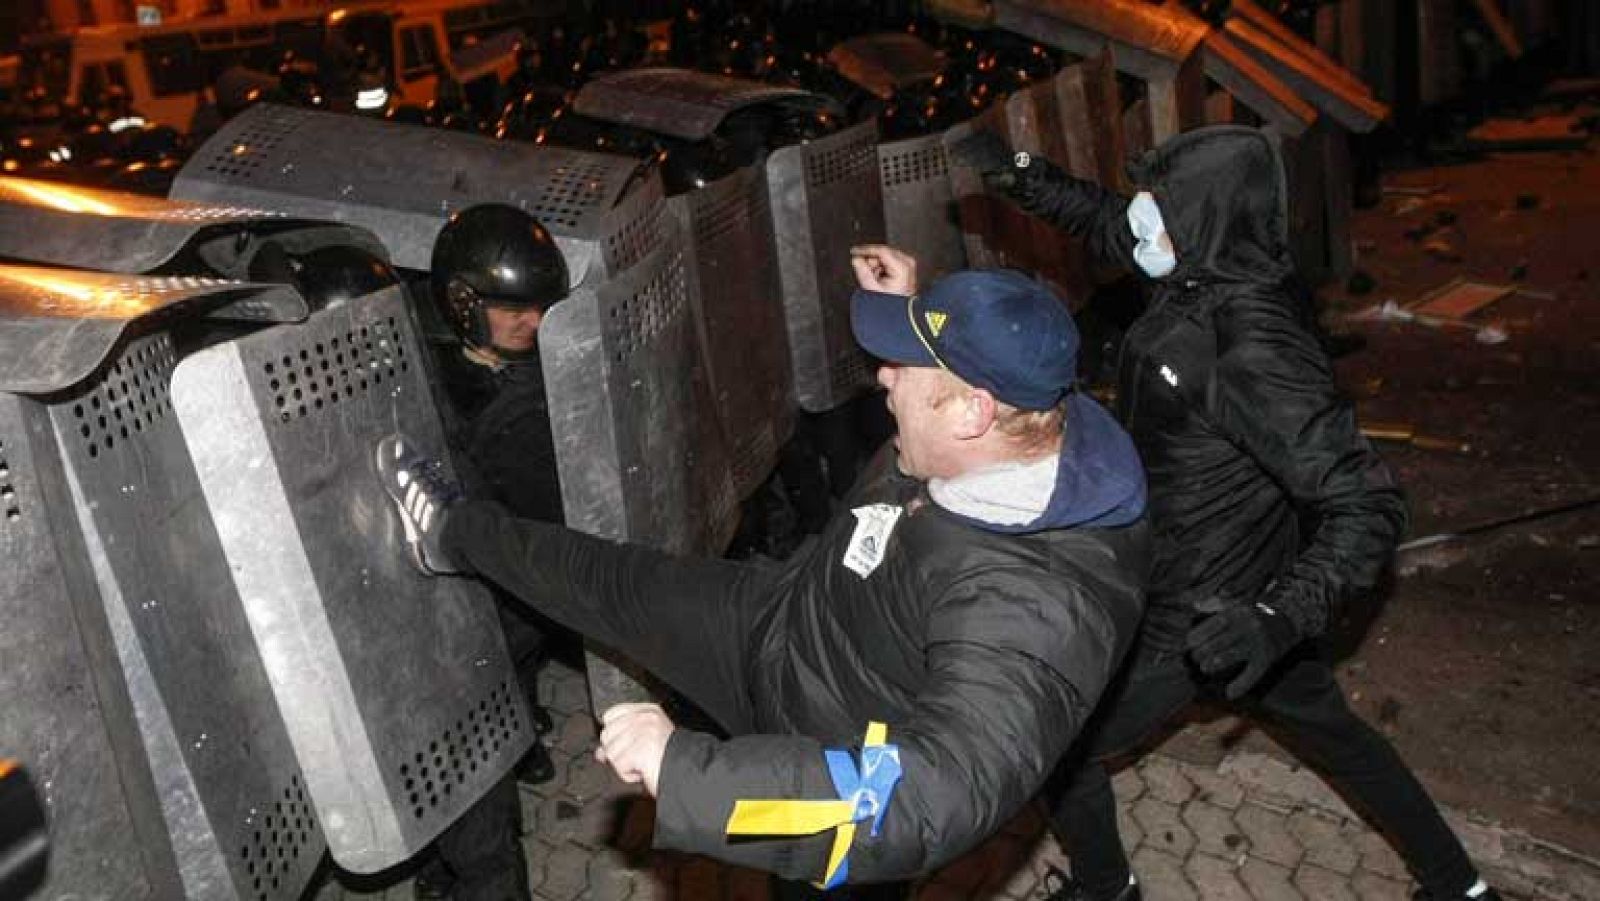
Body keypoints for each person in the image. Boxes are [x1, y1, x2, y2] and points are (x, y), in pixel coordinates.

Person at [373, 248, 1151, 888]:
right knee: (606, 577)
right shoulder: (1007, 415)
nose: (883, 376)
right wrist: (915, 310)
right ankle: (452, 533)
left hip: (827, 746)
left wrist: (686, 775)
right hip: (779, 619)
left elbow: (918, 803)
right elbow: (968, 367)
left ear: (972, 412)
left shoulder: (1039, 608)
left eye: (905, 370)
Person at [951, 124, 1502, 901]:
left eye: (1160, 214)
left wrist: (1277, 616)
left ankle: (1107, 887)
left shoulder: (1252, 346)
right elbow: (1111, 221)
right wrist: (1022, 175)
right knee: (1336, 734)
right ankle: (1462, 887)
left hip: (1202, 614)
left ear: (1206, 221)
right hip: (1230, 575)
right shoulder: (1203, 267)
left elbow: (1367, 500)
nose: (1141, 226)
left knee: (1061, 741)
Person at [411, 203, 572, 901]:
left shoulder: (533, 368)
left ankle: (524, 730)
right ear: (463, 305)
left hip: (527, 567)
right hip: (470, 591)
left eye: (541, 308)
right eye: (514, 312)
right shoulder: (433, 385)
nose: (533, 325)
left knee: (522, 657)